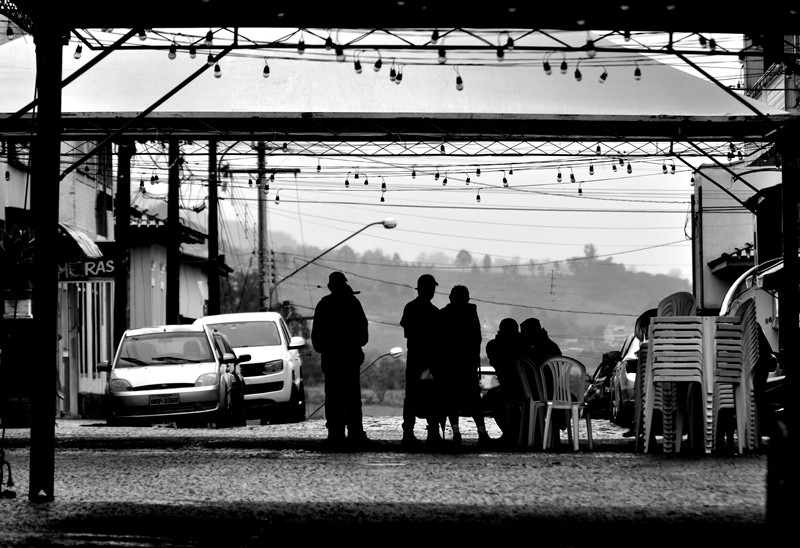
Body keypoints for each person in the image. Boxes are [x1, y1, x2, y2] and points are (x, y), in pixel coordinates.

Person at [311, 271, 370, 449]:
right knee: (352, 397)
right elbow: (363, 335)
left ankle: (335, 433)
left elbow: (317, 339)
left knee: (333, 397)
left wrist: (327, 348)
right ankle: (355, 432)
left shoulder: (324, 305)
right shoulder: (353, 303)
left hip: (331, 360)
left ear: (330, 287)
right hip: (350, 359)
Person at [439, 285, 492, 447]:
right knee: (474, 398)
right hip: (468, 363)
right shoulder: (471, 313)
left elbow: (439, 340)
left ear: (450, 298)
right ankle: (482, 432)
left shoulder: (444, 314)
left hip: (449, 364)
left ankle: (456, 432)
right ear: (467, 299)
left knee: (450, 399)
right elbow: (477, 339)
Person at [399, 273, 444, 448]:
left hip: (414, 358)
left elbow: (407, 331)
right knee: (432, 396)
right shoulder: (434, 312)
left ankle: (408, 433)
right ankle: (432, 432)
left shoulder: (410, 308)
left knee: (411, 396)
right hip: (430, 361)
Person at [484, 318, 526, 442]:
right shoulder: (523, 345)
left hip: (508, 387)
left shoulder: (494, 346)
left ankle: (510, 432)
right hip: (526, 389)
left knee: (494, 396)